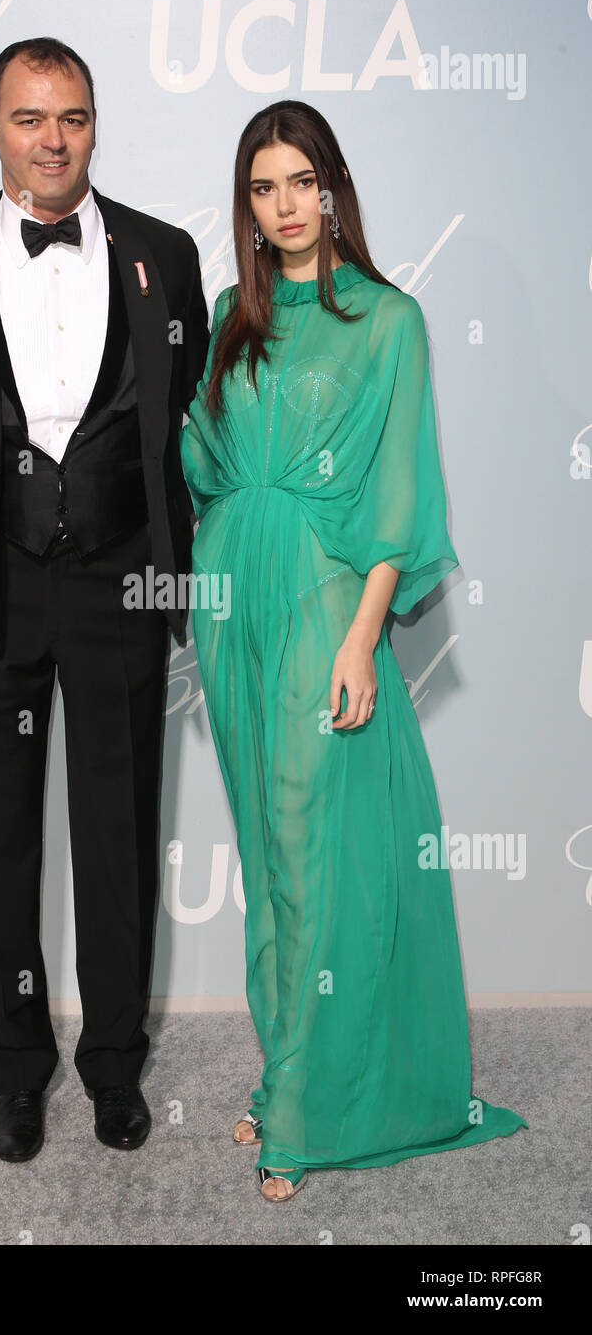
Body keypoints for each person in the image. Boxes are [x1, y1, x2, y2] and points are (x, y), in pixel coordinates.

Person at [179, 100, 527, 1202]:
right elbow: (196, 455)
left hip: (330, 604)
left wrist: (365, 639)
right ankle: (288, 1073)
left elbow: (399, 494)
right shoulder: (233, 309)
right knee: (273, 861)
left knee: (317, 849)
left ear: (334, 187)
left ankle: (314, 1114)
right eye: (262, 187)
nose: (284, 206)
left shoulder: (391, 319)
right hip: (234, 600)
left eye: (300, 181)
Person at [0, 37, 209, 1162]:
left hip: (122, 582)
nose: (52, 138)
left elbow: (185, 443)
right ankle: (16, 1069)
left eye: (70, 116)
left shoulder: (165, 254)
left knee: (118, 842)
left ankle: (115, 1066)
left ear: (94, 123)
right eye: (29, 117)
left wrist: (191, 585)